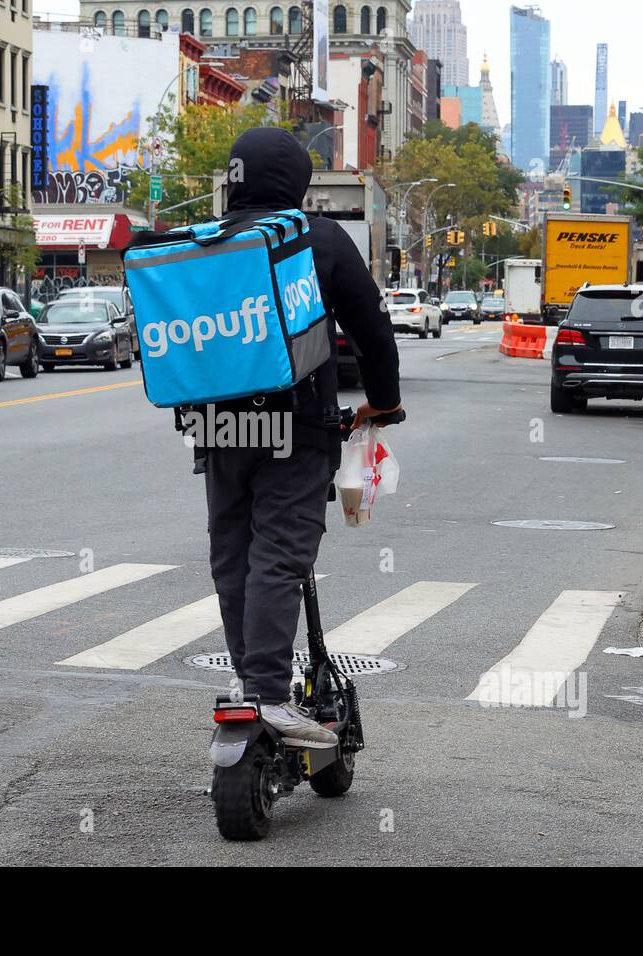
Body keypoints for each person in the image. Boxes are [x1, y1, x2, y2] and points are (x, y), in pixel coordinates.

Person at [203, 128, 401, 748]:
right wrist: (384, 404)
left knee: (232, 555)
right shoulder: (316, 239)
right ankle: (264, 695)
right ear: (295, 182)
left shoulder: (206, 242)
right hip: (297, 428)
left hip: (218, 428)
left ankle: (248, 685)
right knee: (279, 558)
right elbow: (372, 331)